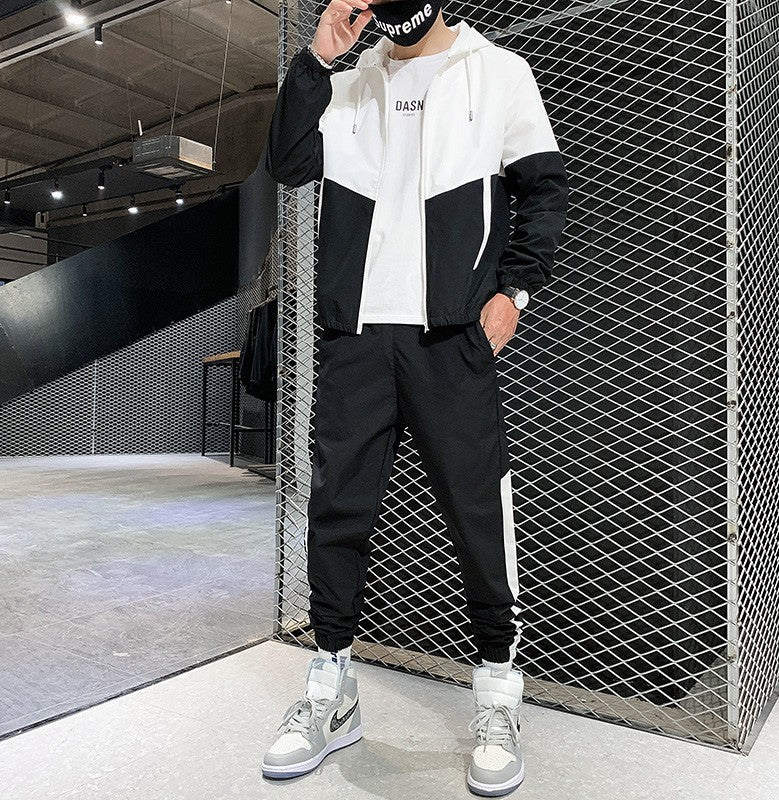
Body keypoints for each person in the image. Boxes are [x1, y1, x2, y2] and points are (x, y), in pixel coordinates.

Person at [261, 0, 569, 795]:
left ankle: (497, 692)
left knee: (477, 513)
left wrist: (514, 294)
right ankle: (332, 688)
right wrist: (316, 60)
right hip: (356, 337)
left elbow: (544, 189)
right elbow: (288, 162)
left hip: (449, 338)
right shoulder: (348, 83)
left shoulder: (498, 73)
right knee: (336, 511)